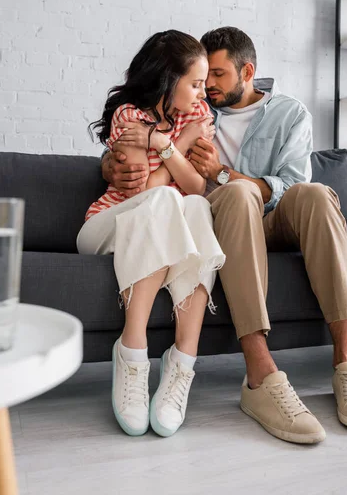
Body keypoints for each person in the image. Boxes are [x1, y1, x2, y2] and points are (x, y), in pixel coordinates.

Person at [102, 27, 347, 445]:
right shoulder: (194, 108)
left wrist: (222, 173)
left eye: (218, 75)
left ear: (247, 71)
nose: (207, 86)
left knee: (319, 194)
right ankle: (260, 376)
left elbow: (290, 186)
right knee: (236, 194)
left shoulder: (290, 113)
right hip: (222, 219)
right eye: (202, 77)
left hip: (274, 218)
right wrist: (111, 163)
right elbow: (142, 129)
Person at [77, 30, 225, 439]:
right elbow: (146, 191)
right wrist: (174, 148)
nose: (201, 94)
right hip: (107, 226)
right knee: (165, 202)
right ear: (166, 78)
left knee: (195, 206)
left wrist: (161, 143)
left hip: (165, 224)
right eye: (194, 83)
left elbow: (197, 188)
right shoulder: (129, 116)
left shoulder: (196, 116)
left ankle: (182, 360)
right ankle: (132, 351)